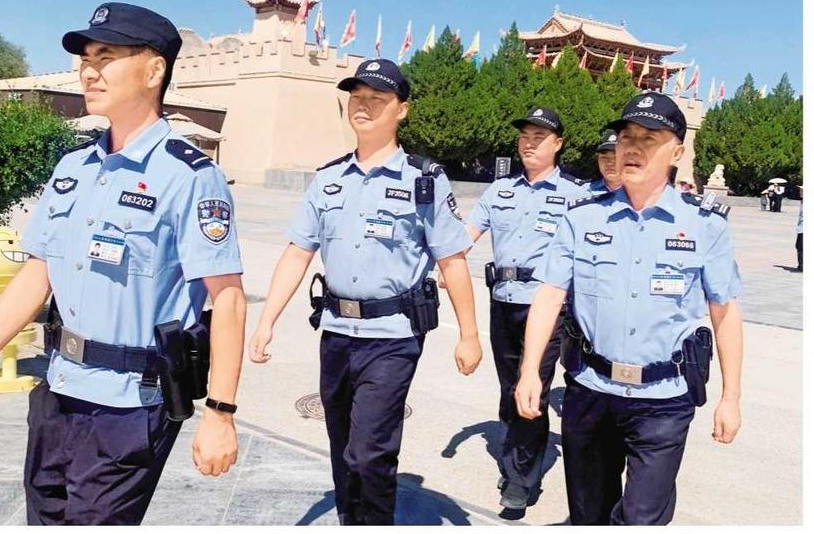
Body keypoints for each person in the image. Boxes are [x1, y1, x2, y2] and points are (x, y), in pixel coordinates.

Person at [0, 2, 248, 525]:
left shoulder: (188, 176)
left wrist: (221, 414)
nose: (89, 71)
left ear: (154, 70)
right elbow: (36, 275)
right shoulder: (73, 168)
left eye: (107, 57)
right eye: (85, 59)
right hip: (57, 391)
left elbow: (226, 298)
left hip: (130, 404)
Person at [248, 58, 483, 525]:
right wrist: (266, 320)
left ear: (402, 110)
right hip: (336, 332)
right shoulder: (328, 178)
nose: (364, 106)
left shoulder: (423, 180)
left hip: (392, 337)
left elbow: (453, 260)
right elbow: (298, 252)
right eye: (357, 97)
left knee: (369, 452)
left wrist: (470, 334)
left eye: (377, 98)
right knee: (342, 447)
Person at [515, 91, 743, 525]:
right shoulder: (582, 217)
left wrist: (730, 398)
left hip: (663, 399)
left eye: (648, 138)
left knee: (641, 518)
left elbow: (725, 312)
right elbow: (549, 295)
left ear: (677, 151)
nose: (633, 147)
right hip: (591, 390)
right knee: (589, 515)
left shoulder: (705, 225)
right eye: (626, 137)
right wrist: (530, 371)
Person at [462, 107, 589, 514]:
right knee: (509, 388)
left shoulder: (575, 195)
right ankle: (515, 453)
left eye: (539, 137)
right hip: (503, 302)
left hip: (546, 308)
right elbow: (465, 236)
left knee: (532, 385)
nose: (529, 143)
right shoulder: (500, 191)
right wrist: (442, 264)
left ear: (558, 144)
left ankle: (521, 478)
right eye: (524, 136)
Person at [589, 129, 621, 195]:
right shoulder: (583, 191)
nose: (610, 162)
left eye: (617, 157)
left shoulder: (642, 195)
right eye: (604, 157)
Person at [796, 186, 803, 272]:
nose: (800, 191)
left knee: (801, 247)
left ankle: (802, 266)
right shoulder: (802, 201)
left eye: (801, 190)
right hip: (800, 228)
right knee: (799, 246)